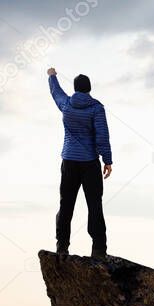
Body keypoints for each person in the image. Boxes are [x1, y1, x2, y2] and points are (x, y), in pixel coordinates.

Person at [47, 68, 113, 260]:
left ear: (75, 89)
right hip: (90, 163)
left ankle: (62, 246)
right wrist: (107, 160)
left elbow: (55, 92)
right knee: (95, 206)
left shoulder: (66, 104)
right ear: (89, 88)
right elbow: (102, 136)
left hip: (69, 162)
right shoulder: (96, 108)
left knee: (66, 205)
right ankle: (99, 250)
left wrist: (52, 76)